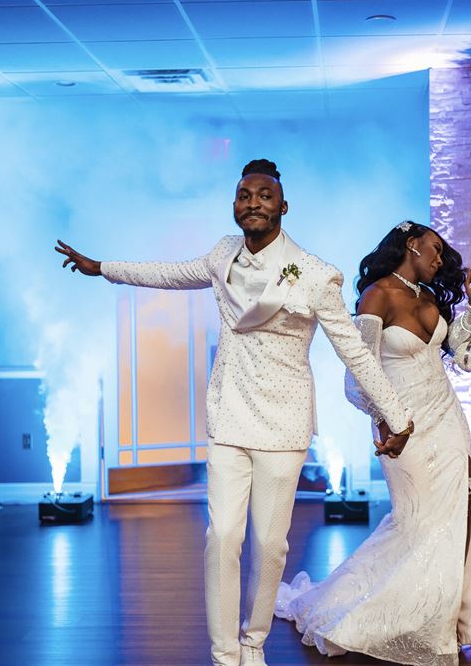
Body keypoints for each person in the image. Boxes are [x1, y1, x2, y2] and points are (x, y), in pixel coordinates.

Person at [54, 159, 416, 666]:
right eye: (245, 195)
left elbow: (354, 351)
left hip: (284, 424)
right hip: (228, 416)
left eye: (265, 196)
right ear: (234, 205)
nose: (253, 203)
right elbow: (169, 274)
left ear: (283, 207)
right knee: (222, 537)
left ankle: (253, 643)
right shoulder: (222, 254)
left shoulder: (314, 274)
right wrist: (103, 268)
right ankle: (224, 655)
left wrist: (396, 416)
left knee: (269, 545)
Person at [275, 220, 471, 665]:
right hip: (402, 427)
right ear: (411, 243)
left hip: (446, 419)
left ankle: (442, 620)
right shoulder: (377, 295)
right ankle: (372, 616)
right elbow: (358, 375)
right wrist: (385, 420)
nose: (440, 259)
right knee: (415, 520)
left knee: (460, 510)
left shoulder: (430, 298)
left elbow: (463, 357)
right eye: (434, 248)